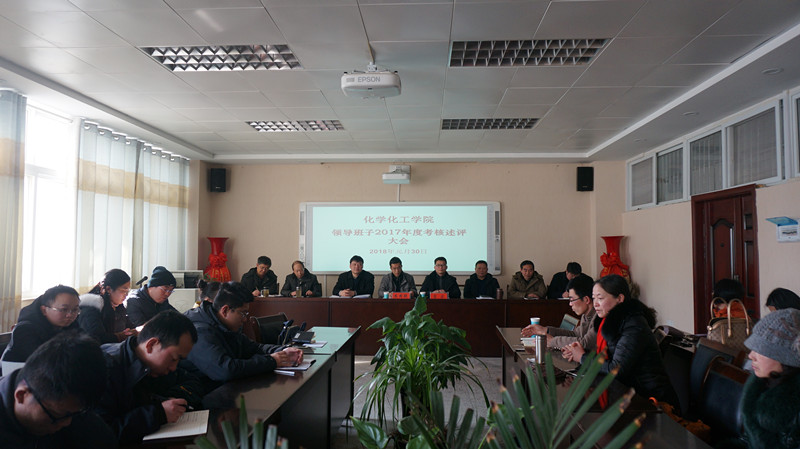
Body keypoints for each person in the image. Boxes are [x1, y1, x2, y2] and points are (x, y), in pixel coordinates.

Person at [563, 275, 679, 409]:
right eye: (594, 298)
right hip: (626, 393)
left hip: (650, 401)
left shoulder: (634, 325)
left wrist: (582, 357)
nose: (595, 304)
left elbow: (617, 369)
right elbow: (610, 357)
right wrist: (580, 353)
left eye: (600, 298)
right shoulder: (609, 322)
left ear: (619, 298)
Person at [96, 310, 202, 444]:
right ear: (151, 345)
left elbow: (192, 381)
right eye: (174, 359)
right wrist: (158, 414)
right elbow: (100, 434)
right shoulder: (105, 368)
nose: (174, 368)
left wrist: (170, 400)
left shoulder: (155, 366)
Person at [0, 332, 116, 449]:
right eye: (55, 415)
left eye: (74, 414)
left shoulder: (68, 406)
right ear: (21, 395)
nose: (66, 423)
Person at [184, 282, 303, 388]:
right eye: (243, 313)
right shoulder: (200, 331)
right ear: (225, 310)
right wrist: (272, 361)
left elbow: (254, 348)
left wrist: (283, 351)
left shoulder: (224, 324)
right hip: (202, 394)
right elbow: (225, 370)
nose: (245, 319)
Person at [730, 309, 800, 449]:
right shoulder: (764, 384)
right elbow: (748, 440)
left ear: (786, 358)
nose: (751, 355)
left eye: (761, 350)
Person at [2, 285, 82, 363]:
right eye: (64, 309)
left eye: (75, 309)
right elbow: (45, 361)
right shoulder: (25, 330)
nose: (70, 315)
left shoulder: (71, 324)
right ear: (44, 310)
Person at [522, 275, 597, 352]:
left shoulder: (598, 318)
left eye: (572, 300)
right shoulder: (586, 314)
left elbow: (585, 343)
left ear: (586, 299)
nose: (570, 304)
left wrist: (553, 341)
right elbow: (575, 334)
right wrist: (545, 330)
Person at [79, 269, 137, 344]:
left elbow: (128, 325)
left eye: (127, 291)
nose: (126, 295)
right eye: (123, 291)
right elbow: (97, 338)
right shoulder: (91, 307)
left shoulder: (118, 306)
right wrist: (122, 336)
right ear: (108, 289)